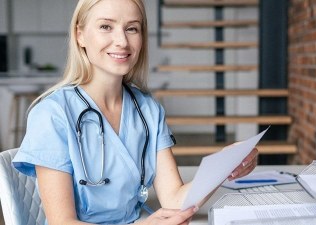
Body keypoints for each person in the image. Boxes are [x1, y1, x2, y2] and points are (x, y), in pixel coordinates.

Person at [12, 0, 259, 224]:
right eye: (106, 27)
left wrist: (224, 166)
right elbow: (62, 223)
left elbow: (174, 201)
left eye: (132, 28)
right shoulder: (52, 113)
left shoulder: (148, 110)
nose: (122, 41)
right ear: (80, 35)